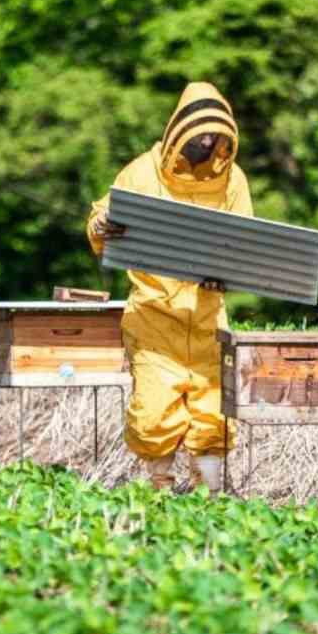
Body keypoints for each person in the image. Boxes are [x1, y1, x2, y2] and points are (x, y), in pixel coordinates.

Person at [86, 82, 252, 492]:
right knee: (154, 413)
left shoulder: (233, 181)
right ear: (179, 129)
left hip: (208, 317)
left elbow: (246, 241)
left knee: (214, 415)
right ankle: (161, 492)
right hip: (154, 316)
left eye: (214, 137)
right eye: (200, 136)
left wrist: (226, 272)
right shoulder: (140, 172)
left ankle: (208, 495)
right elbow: (103, 220)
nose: (207, 143)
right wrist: (101, 226)